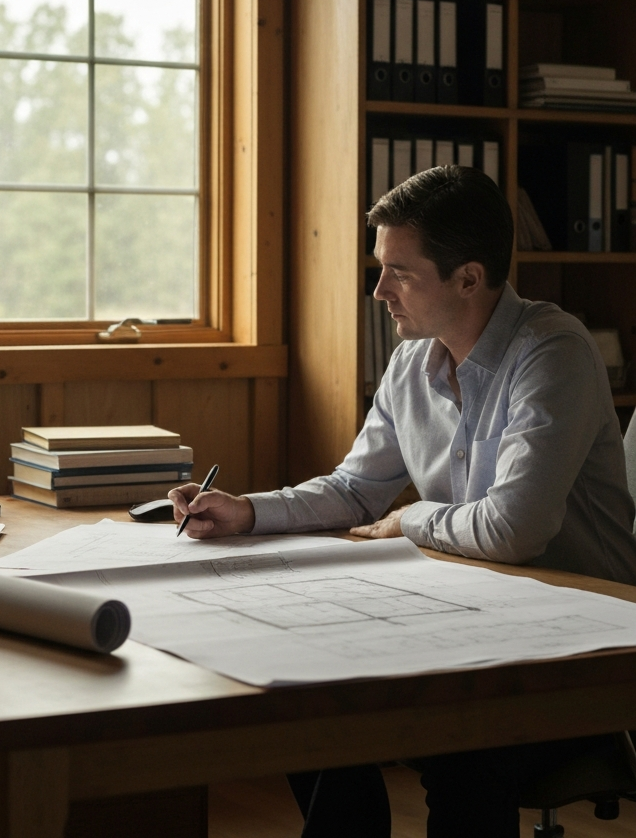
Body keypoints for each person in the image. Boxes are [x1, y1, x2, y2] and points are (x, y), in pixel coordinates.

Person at [168, 165, 636, 838]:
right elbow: (357, 489)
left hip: (583, 648)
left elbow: (516, 529)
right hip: (476, 616)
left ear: (469, 279)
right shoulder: (415, 358)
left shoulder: (551, 351)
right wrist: (248, 511)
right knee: (305, 703)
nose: (379, 289)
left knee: (465, 757)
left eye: (399, 272)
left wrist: (406, 522)